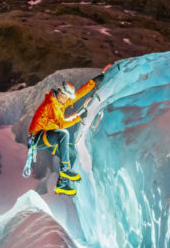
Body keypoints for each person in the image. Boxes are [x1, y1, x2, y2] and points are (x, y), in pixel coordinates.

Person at [27, 65, 110, 196]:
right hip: (37, 137)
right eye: (64, 96)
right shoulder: (52, 104)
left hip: (49, 136)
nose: (65, 99)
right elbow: (61, 124)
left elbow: (77, 95)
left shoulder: (60, 102)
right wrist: (78, 117)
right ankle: (65, 169)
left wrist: (93, 82)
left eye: (67, 97)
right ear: (60, 92)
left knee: (72, 154)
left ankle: (61, 184)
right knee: (63, 134)